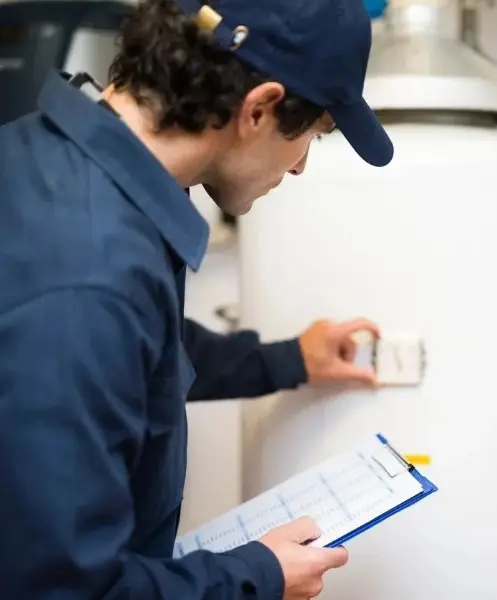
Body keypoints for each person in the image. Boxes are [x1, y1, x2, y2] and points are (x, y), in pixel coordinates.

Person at [0, 0, 394, 596]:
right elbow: (63, 588)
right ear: (259, 108)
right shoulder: (89, 275)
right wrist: (258, 575)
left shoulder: (48, 161)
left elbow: (135, 354)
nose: (300, 168)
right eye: (311, 135)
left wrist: (287, 360)